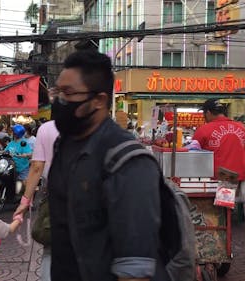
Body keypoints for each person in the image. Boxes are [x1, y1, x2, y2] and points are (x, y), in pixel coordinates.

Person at [46, 50, 168, 281]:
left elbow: (135, 268)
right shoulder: (64, 144)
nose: (59, 101)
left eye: (68, 93)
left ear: (99, 101)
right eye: (57, 92)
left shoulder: (127, 161)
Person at [13, 120, 58, 281]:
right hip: (86, 196)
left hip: (54, 193)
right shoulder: (90, 123)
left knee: (50, 249)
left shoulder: (46, 129)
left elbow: (37, 167)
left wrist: (24, 202)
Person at [193, 98, 245, 182]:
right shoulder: (241, 128)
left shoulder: (203, 130)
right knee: (236, 195)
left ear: (208, 113)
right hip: (239, 178)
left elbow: (194, 155)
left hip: (215, 179)